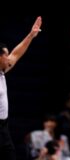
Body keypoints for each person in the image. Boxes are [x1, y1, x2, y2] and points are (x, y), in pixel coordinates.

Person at [0, 16, 42, 160]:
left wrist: (31, 35)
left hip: (3, 128)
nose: (8, 57)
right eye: (6, 54)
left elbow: (16, 54)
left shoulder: (2, 70)